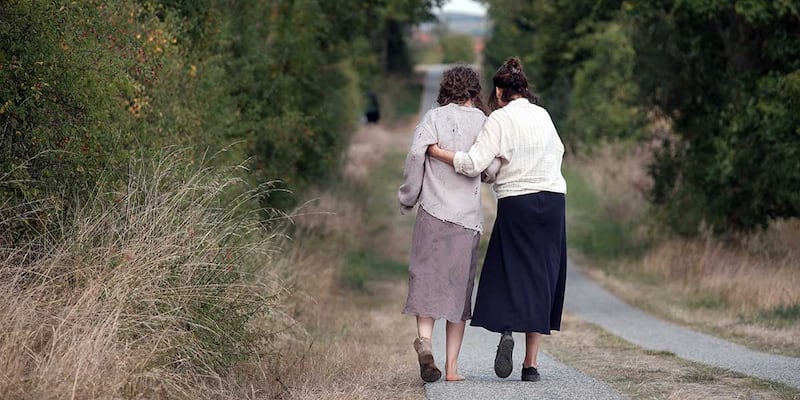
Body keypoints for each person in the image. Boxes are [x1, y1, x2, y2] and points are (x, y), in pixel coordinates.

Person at [427, 57, 567, 382]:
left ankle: (506, 329)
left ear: (501, 90)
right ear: (524, 89)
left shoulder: (499, 120)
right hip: (553, 201)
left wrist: (438, 153)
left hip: (518, 202)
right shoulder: (543, 115)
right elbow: (558, 151)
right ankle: (530, 366)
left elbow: (474, 163)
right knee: (542, 277)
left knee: (508, 272)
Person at [398, 66, 499, 383]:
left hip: (433, 211)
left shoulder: (433, 118)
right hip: (466, 219)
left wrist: (408, 196)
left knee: (425, 280)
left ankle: (425, 344)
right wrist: (484, 174)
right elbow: (491, 168)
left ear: (446, 90)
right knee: (459, 294)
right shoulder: (483, 122)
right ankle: (452, 369)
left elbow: (417, 156)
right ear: (474, 92)